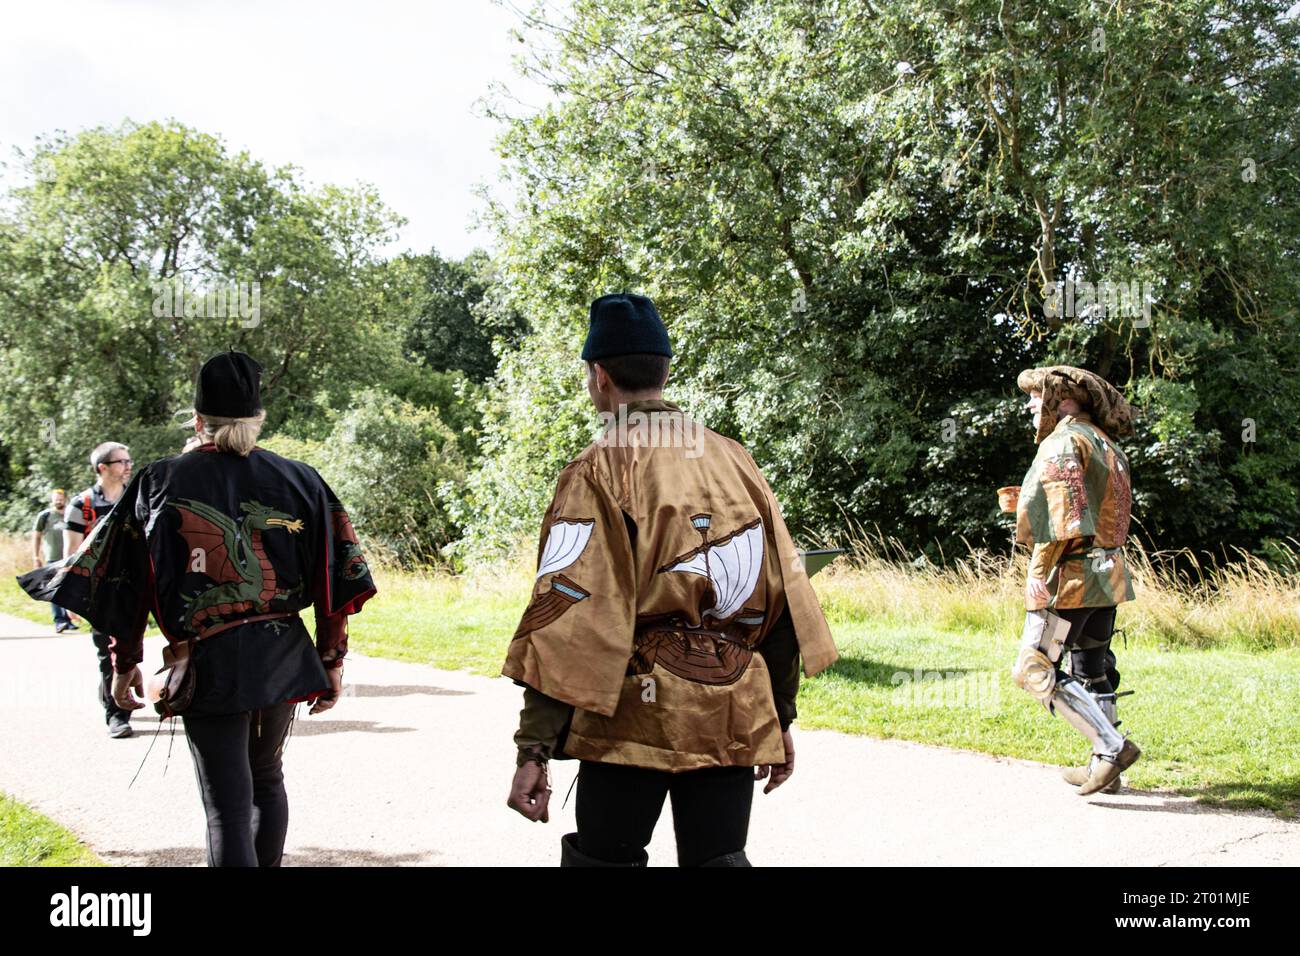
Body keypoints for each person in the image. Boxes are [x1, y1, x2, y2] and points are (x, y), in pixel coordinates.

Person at [503, 293, 839, 866]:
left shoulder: (598, 468)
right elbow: (783, 596)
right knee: (717, 861)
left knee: (606, 860)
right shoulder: (736, 460)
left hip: (629, 715)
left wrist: (533, 748)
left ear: (600, 375)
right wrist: (779, 717)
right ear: (664, 372)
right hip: (730, 711)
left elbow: (566, 620)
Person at [20, 351, 376, 866]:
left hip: (208, 657)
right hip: (281, 653)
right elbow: (336, 576)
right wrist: (332, 659)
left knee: (227, 807)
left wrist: (125, 665)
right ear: (258, 419)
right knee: (267, 780)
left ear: (196, 420)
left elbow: (121, 579)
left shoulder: (159, 480)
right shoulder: (302, 479)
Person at [1009, 365, 1141, 796]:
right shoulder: (1106, 443)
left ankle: (1111, 748)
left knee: (1034, 669)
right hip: (1108, 574)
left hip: (1071, 577)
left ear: (1061, 401)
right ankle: (1107, 771)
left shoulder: (1063, 441)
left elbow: (1062, 519)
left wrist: (1037, 574)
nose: (1030, 403)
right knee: (1091, 670)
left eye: (1036, 395)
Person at [65, 443, 135, 736]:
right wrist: (70, 596)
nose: (129, 465)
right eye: (122, 461)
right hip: (97, 590)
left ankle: (112, 694)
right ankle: (117, 716)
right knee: (108, 651)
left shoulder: (135, 499)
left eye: (129, 460)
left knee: (129, 649)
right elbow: (71, 551)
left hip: (131, 587)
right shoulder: (81, 505)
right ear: (102, 468)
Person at [31, 489, 76, 632]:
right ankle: (59, 621)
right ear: (52, 500)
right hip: (52, 558)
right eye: (56, 499)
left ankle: (69, 620)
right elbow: (36, 536)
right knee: (54, 590)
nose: (58, 501)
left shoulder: (71, 514)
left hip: (70, 559)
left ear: (65, 499)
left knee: (69, 590)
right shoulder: (45, 516)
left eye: (61, 499)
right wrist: (36, 556)